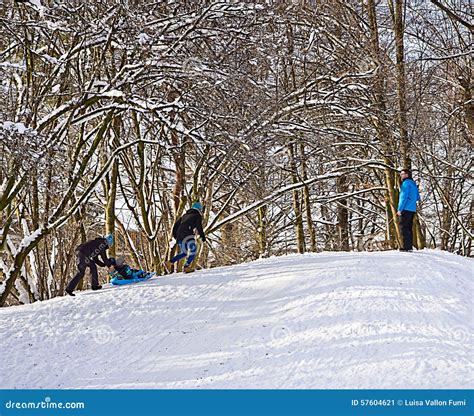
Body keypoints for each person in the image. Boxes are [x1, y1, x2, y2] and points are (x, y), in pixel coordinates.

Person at [165, 201, 206, 274]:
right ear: (199, 209)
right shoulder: (197, 215)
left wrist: (176, 236)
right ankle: (186, 267)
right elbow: (199, 226)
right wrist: (202, 236)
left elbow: (175, 226)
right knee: (193, 250)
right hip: (188, 235)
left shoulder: (184, 215)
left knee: (184, 253)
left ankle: (170, 262)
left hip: (180, 236)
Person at [396, 169, 420, 252]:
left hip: (405, 209)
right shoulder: (413, 184)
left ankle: (406, 247)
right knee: (409, 228)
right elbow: (417, 197)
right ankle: (409, 246)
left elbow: (403, 197)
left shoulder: (405, 184)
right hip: (412, 209)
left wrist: (400, 209)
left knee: (404, 228)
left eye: (402, 174)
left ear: (407, 175)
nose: (401, 176)